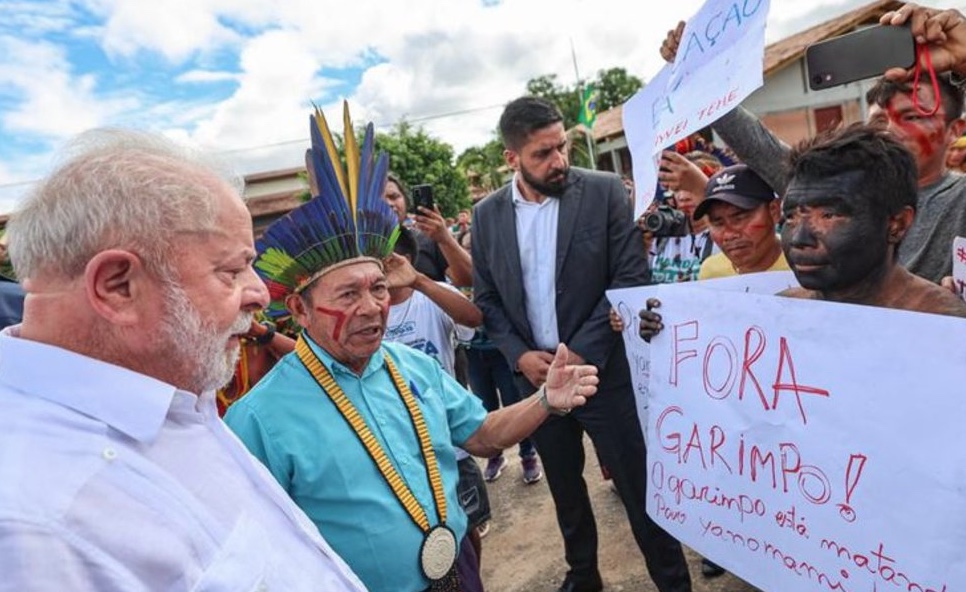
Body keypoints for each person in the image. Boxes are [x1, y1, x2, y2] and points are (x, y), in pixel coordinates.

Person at [224, 104, 600, 592]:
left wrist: (545, 399)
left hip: (460, 572)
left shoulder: (412, 364)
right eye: (347, 294)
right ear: (298, 309)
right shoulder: (257, 420)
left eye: (378, 288)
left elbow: (484, 435)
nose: (371, 307)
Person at [0, 128, 366, 590]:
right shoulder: (38, 527)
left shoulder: (174, 394)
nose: (258, 293)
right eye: (231, 271)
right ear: (118, 287)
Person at [472, 96, 692, 592]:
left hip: (604, 372)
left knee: (640, 489)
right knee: (565, 488)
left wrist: (580, 351)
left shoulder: (604, 190)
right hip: (534, 379)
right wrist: (520, 355)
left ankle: (673, 582)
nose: (560, 161)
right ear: (511, 158)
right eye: (543, 154)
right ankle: (583, 576)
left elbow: (629, 275)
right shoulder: (485, 216)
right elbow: (487, 296)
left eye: (562, 146)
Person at [659, 8, 966, 284]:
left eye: (913, 116)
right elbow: (758, 145)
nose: (892, 132)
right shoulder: (831, 188)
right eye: (879, 120)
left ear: (957, 130)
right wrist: (698, 74)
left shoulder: (959, 201)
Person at [641, 123, 966, 337]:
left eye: (829, 214)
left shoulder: (944, 325)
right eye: (793, 215)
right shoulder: (784, 310)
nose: (799, 238)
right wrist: (670, 334)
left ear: (896, 224)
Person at [458, 229, 543, 485]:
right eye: (466, 248)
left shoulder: (497, 276)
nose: (470, 253)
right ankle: (495, 455)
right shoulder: (455, 276)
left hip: (502, 353)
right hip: (473, 353)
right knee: (484, 408)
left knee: (515, 404)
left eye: (475, 248)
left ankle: (528, 455)